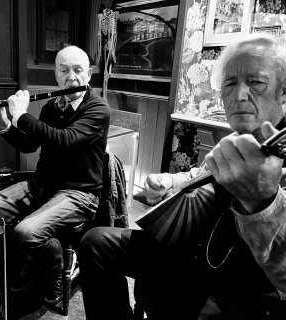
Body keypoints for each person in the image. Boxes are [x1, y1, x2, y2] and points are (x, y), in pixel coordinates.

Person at [78, 34, 286, 320]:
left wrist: (263, 202)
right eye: (229, 83)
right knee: (96, 242)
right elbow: (202, 174)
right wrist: (169, 183)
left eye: (256, 82)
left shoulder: (279, 148)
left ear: (282, 92)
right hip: (195, 255)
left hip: (242, 287)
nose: (239, 94)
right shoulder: (238, 139)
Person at [0, 45, 110, 306]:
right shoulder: (51, 107)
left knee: (25, 233)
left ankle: (54, 265)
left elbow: (65, 140)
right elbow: (29, 145)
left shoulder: (98, 108)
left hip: (78, 193)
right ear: (56, 76)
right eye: (64, 70)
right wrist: (3, 124)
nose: (71, 76)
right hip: (42, 183)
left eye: (78, 70)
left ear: (89, 74)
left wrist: (22, 115)